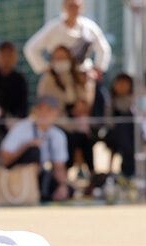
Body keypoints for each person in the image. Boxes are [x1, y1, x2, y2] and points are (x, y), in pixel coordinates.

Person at [38, 44, 99, 183]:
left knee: (86, 140)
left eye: (64, 57)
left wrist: (81, 105)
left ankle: (93, 179)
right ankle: (62, 181)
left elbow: (86, 99)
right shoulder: (47, 80)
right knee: (67, 139)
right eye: (57, 58)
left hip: (75, 124)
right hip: (56, 124)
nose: (61, 61)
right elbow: (45, 105)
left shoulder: (76, 77)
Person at [0, 95, 71, 202]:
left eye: (50, 111)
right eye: (43, 110)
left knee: (69, 190)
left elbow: (59, 167)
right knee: (34, 151)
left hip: (43, 179)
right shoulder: (21, 128)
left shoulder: (58, 135)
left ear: (56, 113)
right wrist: (27, 146)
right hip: (20, 178)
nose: (46, 114)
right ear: (35, 110)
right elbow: (5, 159)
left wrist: (63, 186)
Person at [25, 0, 111, 79]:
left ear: (82, 7)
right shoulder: (53, 27)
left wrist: (97, 69)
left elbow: (103, 49)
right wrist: (44, 68)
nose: (74, 10)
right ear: (64, 6)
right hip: (58, 77)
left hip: (83, 76)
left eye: (76, 6)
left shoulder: (90, 27)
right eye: (71, 6)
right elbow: (31, 48)